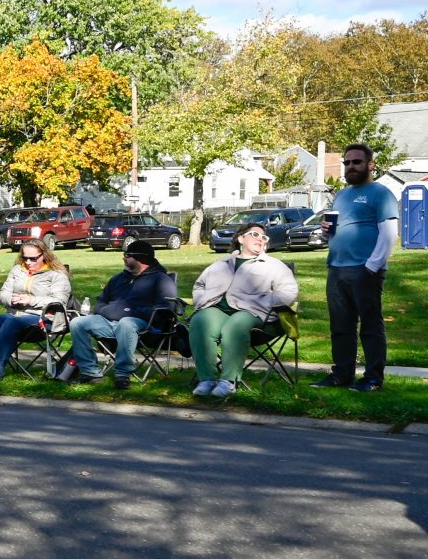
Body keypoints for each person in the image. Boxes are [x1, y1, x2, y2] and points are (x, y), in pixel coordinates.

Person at [315, 143, 400, 392]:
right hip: (337, 268)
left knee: (371, 327)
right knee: (340, 327)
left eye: (356, 162)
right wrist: (325, 232)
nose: (350, 166)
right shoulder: (341, 195)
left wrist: (371, 267)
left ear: (370, 165)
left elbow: (388, 234)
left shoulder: (380, 194)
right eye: (347, 163)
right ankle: (342, 375)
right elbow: (335, 232)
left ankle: (373, 379)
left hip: (364, 270)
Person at [188, 219, 299, 397]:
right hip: (219, 310)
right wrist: (202, 300)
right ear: (240, 239)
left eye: (264, 237)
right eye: (255, 234)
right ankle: (206, 379)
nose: (260, 239)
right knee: (200, 321)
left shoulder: (273, 266)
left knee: (235, 326)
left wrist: (264, 303)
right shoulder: (221, 264)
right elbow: (199, 285)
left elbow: (289, 291)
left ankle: (228, 381)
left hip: (255, 314)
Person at [67, 239, 178, 389]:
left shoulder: (161, 279)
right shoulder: (119, 278)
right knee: (77, 323)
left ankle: (122, 374)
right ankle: (90, 372)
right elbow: (101, 302)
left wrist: (129, 312)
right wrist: (111, 312)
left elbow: (166, 308)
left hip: (144, 325)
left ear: (141, 258)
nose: (124, 257)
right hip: (110, 322)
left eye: (127, 254)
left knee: (127, 323)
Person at [0, 236, 72, 386]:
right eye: (25, 258)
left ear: (44, 255)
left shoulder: (57, 274)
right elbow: (3, 292)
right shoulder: (18, 270)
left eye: (33, 259)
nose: (28, 262)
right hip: (14, 314)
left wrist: (30, 300)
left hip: (42, 319)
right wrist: (10, 299)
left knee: (10, 323)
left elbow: (60, 301)